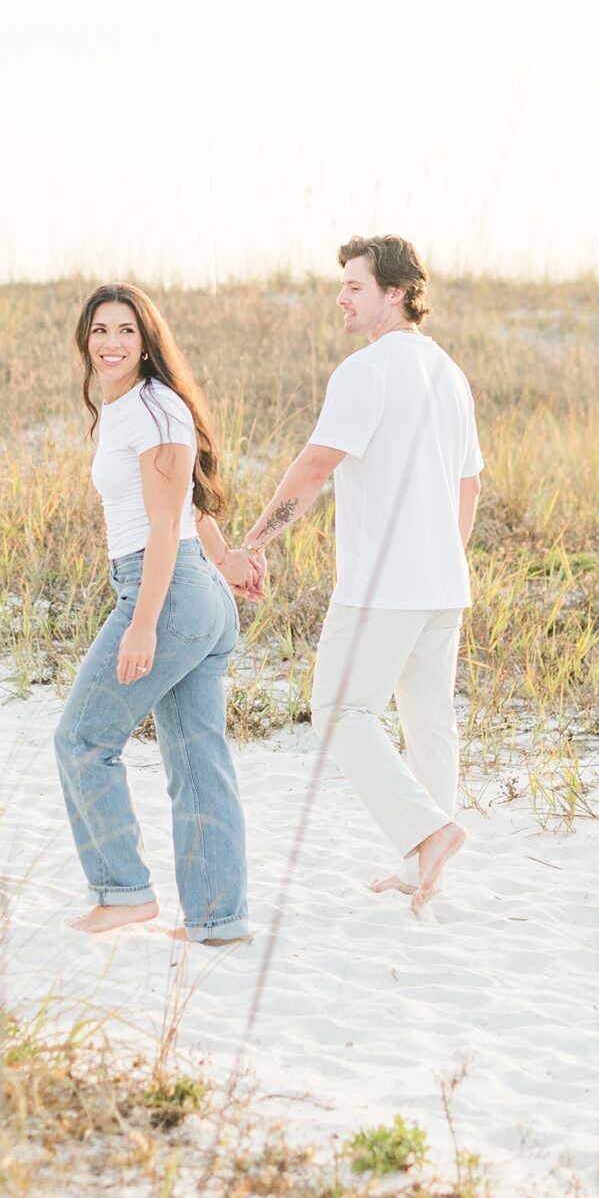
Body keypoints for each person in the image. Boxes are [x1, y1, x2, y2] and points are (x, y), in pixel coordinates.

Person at [233, 235, 482, 911]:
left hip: (384, 583)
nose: (340, 297)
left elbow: (316, 467)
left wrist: (253, 543)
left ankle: (427, 836)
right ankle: (424, 869)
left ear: (395, 292)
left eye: (354, 285)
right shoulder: (449, 372)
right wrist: (445, 557)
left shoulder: (366, 371)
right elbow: (470, 485)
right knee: (429, 722)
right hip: (442, 583)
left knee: (339, 710)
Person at [54, 282, 264, 944]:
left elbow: (166, 519)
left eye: (125, 331)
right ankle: (217, 920)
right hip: (194, 591)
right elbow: (190, 508)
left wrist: (144, 622)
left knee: (83, 740)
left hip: (163, 591)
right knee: (198, 763)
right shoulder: (138, 407)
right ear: (86, 342)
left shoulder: (149, 408)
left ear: (147, 342)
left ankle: (123, 891)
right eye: (100, 331)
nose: (111, 343)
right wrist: (227, 558)